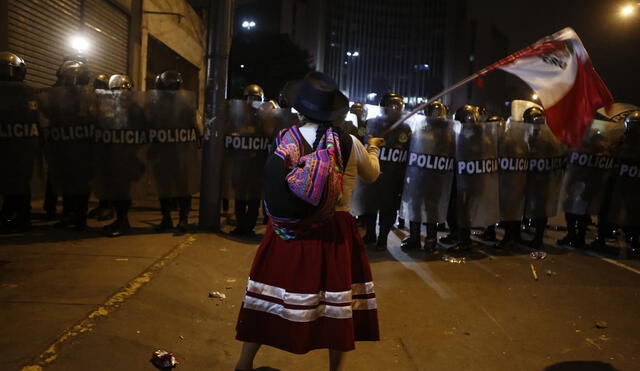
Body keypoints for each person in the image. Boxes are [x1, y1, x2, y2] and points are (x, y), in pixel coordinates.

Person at [234, 72, 381, 371]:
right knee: (336, 305)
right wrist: (374, 147)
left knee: (268, 294)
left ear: (301, 111)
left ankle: (244, 363)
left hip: (287, 231)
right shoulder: (349, 142)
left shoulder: (287, 139)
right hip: (335, 230)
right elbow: (372, 174)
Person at [352, 93, 411, 250]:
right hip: (374, 173)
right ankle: (370, 234)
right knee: (369, 207)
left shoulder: (405, 128)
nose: (395, 110)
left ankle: (383, 237)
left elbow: (409, 152)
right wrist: (359, 121)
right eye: (392, 106)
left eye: (398, 107)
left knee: (389, 209)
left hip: (393, 177)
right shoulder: (372, 123)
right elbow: (361, 135)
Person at [146, 70, 199, 233]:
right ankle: (168, 218)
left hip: (179, 152)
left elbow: (196, 126)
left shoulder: (185, 105)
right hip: (163, 152)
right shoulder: (154, 105)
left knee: (181, 187)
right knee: (165, 187)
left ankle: (181, 219)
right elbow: (148, 126)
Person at [0, 52, 39, 233]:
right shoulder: (29, 92)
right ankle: (22, 217)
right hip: (23, 146)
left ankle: (10, 214)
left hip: (8, 145)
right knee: (20, 181)